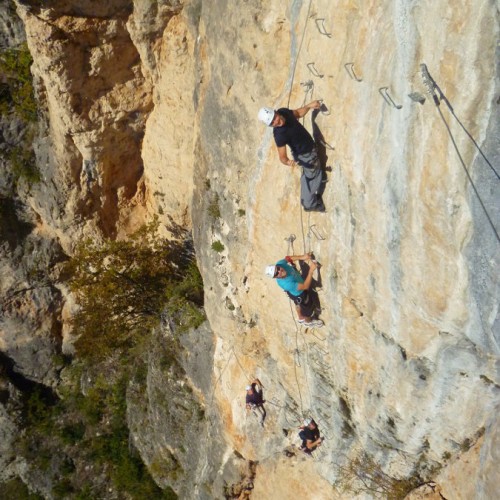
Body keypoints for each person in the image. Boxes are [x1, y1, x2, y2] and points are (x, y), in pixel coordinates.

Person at [258, 100, 325, 212]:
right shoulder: (279, 135)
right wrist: (288, 162)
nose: (276, 122)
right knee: (314, 175)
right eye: (272, 123)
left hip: (307, 150)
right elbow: (282, 156)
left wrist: (309, 106)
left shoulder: (284, 111)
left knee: (308, 175)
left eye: (275, 117)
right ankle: (310, 204)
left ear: (276, 112)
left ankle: (305, 199)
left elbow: (298, 113)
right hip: (306, 155)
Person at [265, 253, 323, 327]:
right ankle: (308, 321)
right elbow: (305, 286)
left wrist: (302, 257)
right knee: (308, 311)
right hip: (300, 294)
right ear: (275, 277)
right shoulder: (287, 284)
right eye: (277, 273)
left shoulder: (280, 264)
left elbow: (288, 258)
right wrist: (311, 271)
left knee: (296, 302)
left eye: (278, 268)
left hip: (293, 292)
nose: (280, 271)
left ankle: (300, 317)